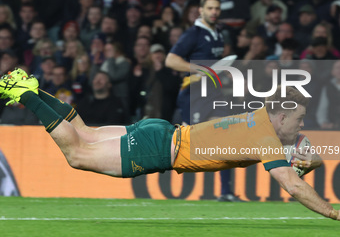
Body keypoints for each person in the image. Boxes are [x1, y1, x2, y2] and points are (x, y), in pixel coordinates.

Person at [1, 68, 339, 221]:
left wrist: (313, 161)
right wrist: (331, 211)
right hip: (160, 148)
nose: (301, 124)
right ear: (280, 116)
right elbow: (292, 184)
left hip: (163, 131)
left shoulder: (263, 120)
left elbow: (300, 156)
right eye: (298, 118)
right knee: (77, 153)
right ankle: (25, 94)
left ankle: (31, 85)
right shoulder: (267, 137)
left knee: (85, 133)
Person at [165, 0, 236, 201]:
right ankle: (148, 162)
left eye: (217, 8)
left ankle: (226, 192)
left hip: (212, 94)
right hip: (193, 95)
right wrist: (199, 70)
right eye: (210, 8)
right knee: (186, 144)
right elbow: (171, 60)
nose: (214, 12)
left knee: (226, 138)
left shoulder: (218, 34)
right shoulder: (193, 34)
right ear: (201, 11)